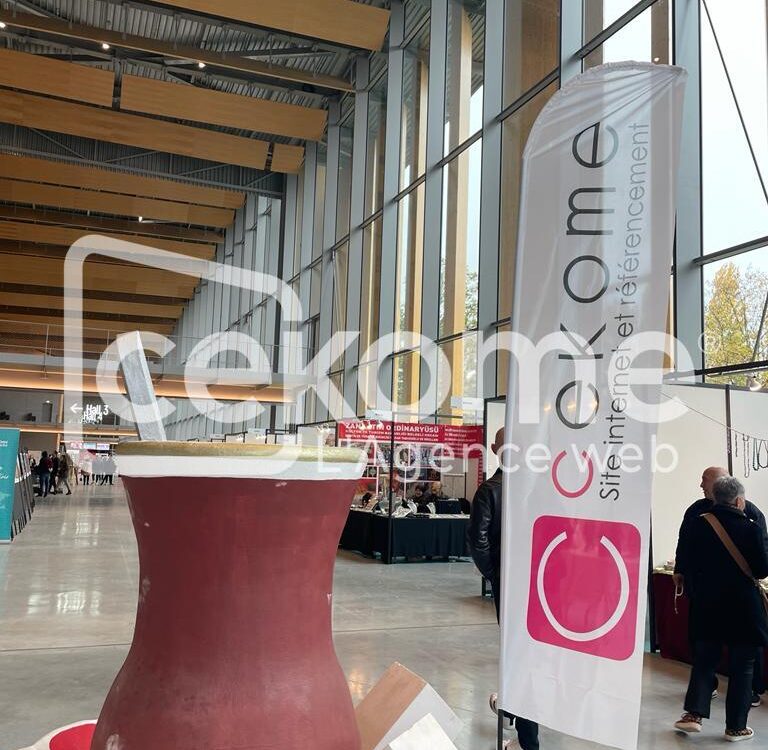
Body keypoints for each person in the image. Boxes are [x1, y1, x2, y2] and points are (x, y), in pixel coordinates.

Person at [674, 476, 768, 741]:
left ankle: (693, 714)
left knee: (704, 661)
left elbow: (686, 561)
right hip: (743, 607)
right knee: (743, 666)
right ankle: (736, 728)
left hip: (706, 604)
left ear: (713, 496)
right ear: (739, 500)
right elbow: (762, 569)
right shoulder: (751, 527)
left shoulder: (697, 524)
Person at [467, 427, 539, 750]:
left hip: (510, 582)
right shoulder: (536, 488)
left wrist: (494, 574)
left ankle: (527, 739)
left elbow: (477, 540)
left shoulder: (490, 491)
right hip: (536, 582)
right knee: (525, 651)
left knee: (518, 654)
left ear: (497, 449)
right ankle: (511, 706)